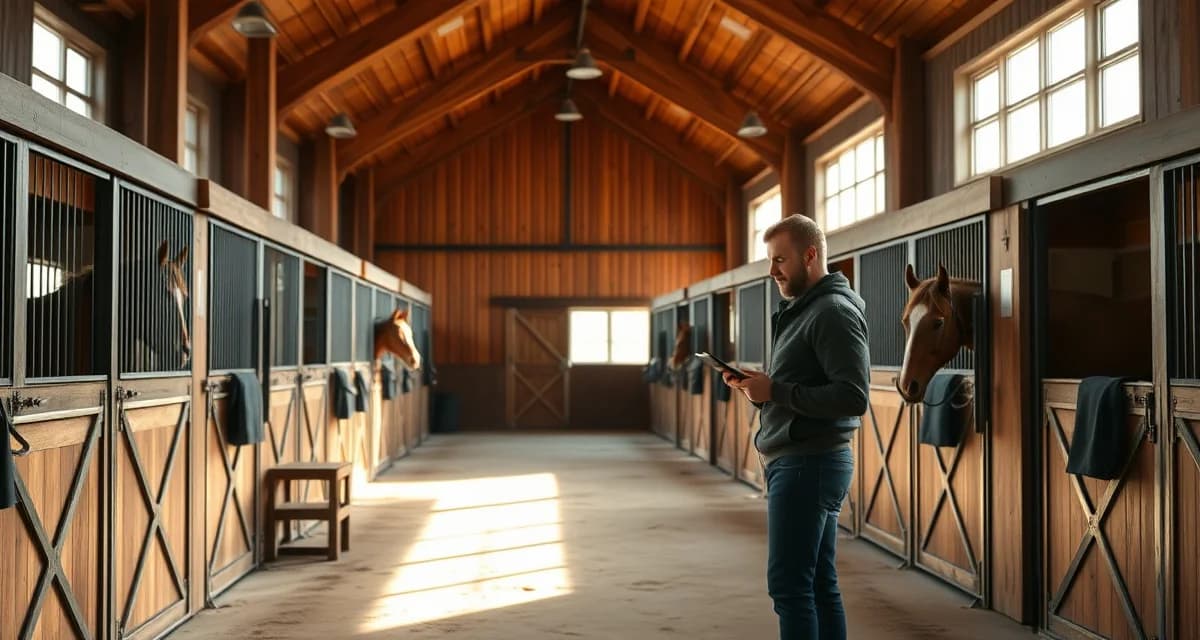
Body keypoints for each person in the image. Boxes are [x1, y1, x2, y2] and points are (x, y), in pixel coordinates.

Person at [723, 214, 870, 640]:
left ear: (810, 256)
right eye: (770, 260)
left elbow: (853, 396)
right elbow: (802, 384)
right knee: (819, 584)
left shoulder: (832, 312)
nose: (772, 271)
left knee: (790, 587)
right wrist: (760, 388)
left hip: (808, 462)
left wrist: (777, 391)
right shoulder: (805, 309)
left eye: (780, 260)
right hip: (806, 459)